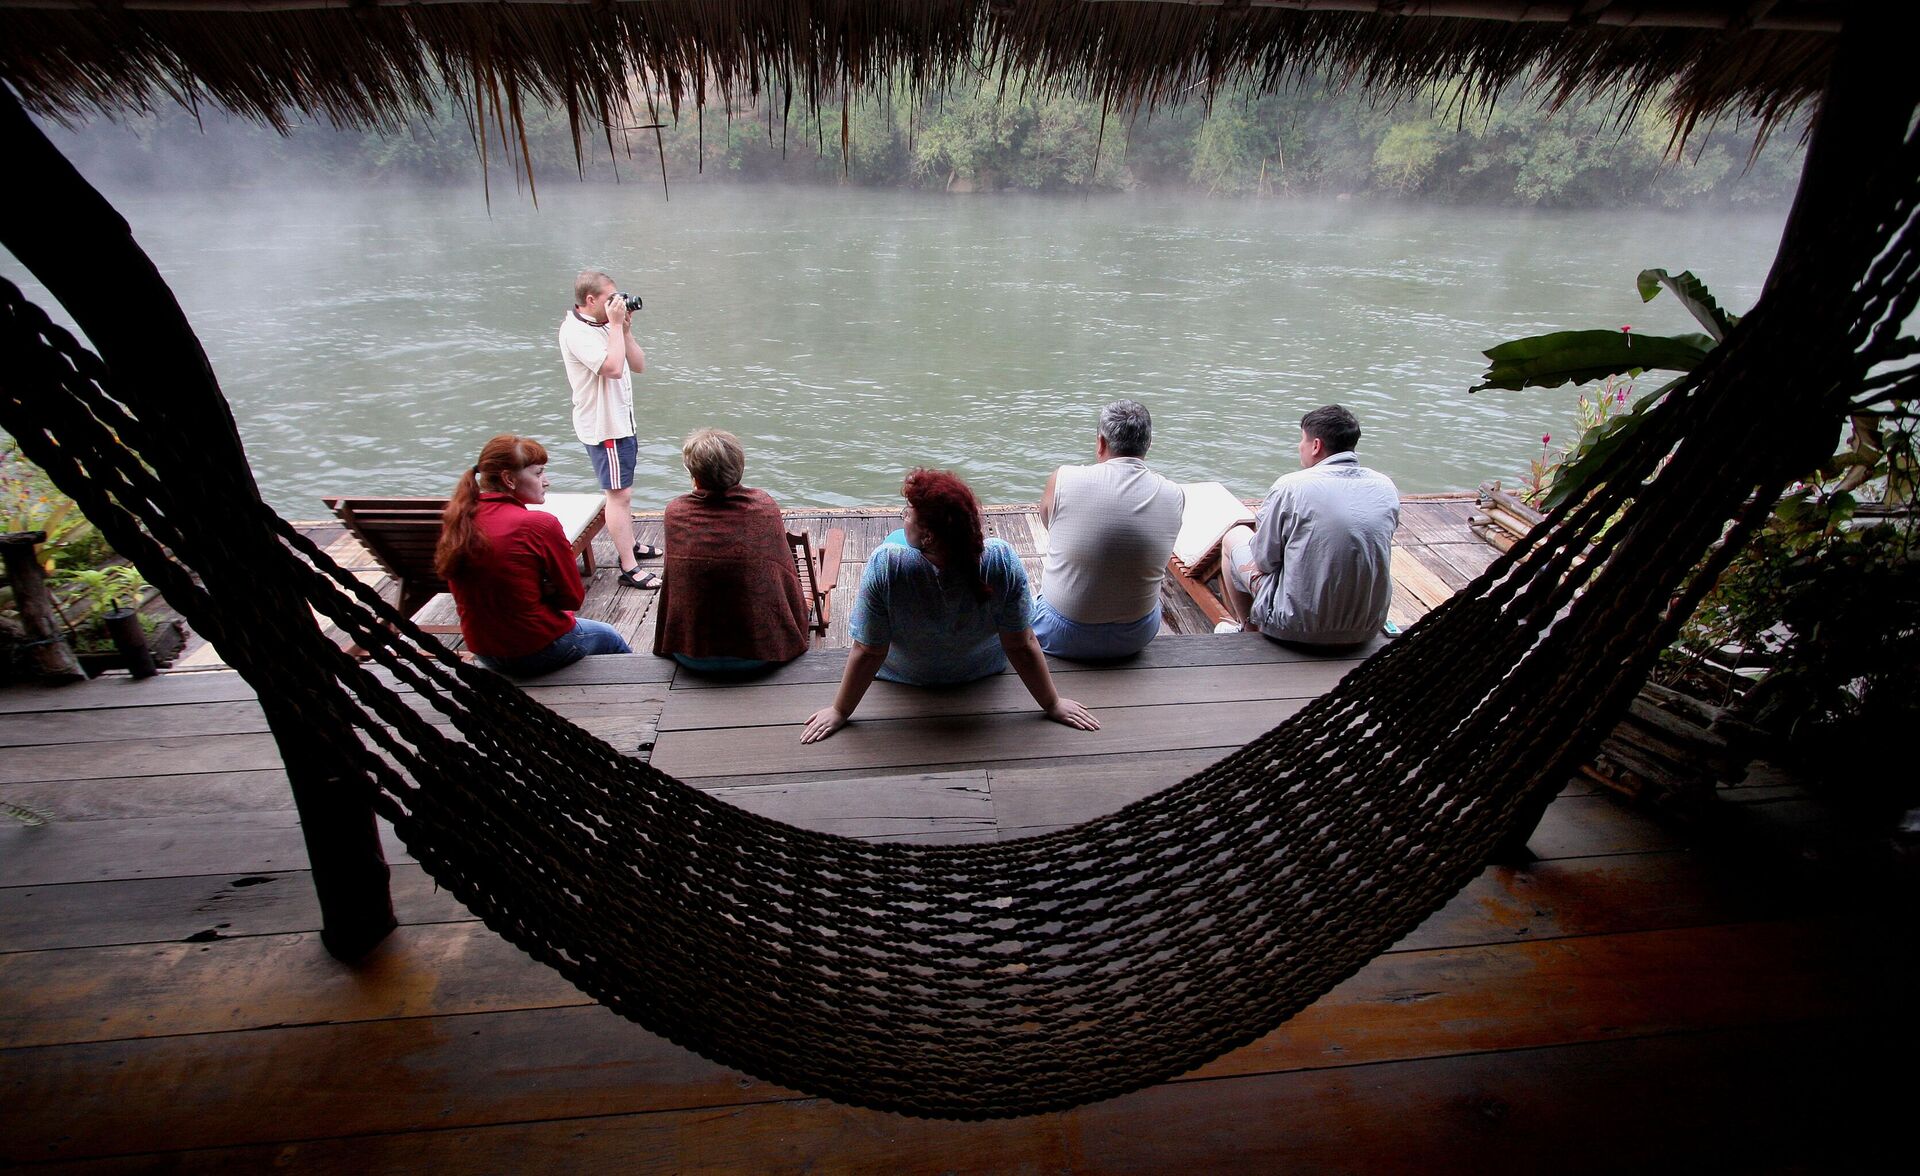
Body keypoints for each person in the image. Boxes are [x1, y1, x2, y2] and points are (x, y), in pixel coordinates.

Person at [801, 469, 1099, 743]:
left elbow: (868, 650)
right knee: (898, 540)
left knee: (892, 541)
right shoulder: (1001, 560)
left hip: (906, 675)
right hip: (978, 669)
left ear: (928, 534)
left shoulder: (888, 566)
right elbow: (1021, 644)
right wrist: (1052, 703)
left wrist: (840, 711)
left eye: (908, 514)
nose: (904, 516)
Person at [435, 434, 632, 677]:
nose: (546, 481)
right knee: (609, 636)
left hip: (484, 649)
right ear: (509, 479)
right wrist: (543, 588)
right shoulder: (538, 525)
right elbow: (572, 598)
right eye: (538, 474)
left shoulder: (459, 519)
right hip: (535, 649)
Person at [1217, 404, 1400, 646]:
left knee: (1234, 537)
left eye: (1302, 439)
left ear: (1316, 445)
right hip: (1365, 628)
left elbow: (1264, 560)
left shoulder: (1291, 487)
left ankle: (1249, 629)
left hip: (1294, 627)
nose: (1299, 446)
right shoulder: (1385, 486)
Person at [1033, 398, 1185, 659]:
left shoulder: (1064, 478)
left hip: (1060, 635)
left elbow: (1049, 524)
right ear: (1148, 444)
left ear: (1101, 442)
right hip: (1135, 637)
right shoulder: (1174, 494)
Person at [653, 428, 812, 672]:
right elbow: (784, 570)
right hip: (765, 654)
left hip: (691, 655)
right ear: (739, 467)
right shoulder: (763, 506)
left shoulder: (676, 512)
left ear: (694, 475)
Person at [558, 268, 661, 591]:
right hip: (605, 427)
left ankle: (630, 546)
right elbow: (613, 369)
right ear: (590, 300)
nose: (617, 303)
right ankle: (628, 566)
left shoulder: (605, 326)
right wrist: (615, 326)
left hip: (621, 421)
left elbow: (638, 365)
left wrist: (624, 330)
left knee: (623, 493)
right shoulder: (576, 332)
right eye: (610, 298)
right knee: (619, 496)